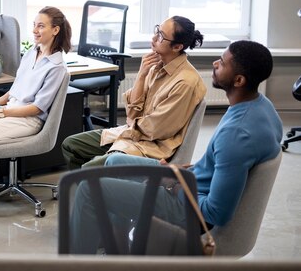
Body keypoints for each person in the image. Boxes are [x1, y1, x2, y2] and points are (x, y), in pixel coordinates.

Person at [70, 40, 283, 254]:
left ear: (239, 80)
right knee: (115, 161)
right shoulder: (262, 106)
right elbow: (220, 164)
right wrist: (185, 172)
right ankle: (117, 247)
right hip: (191, 185)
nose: (215, 63)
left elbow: (216, 213)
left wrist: (176, 185)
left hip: (189, 210)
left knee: (89, 189)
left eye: (223, 63)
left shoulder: (237, 134)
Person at [62, 16, 207, 168]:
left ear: (177, 47)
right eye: (157, 30)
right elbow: (133, 113)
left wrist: (132, 122)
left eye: (161, 36)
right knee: (70, 146)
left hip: (151, 148)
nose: (153, 37)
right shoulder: (156, 65)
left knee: (89, 168)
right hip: (133, 134)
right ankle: (92, 188)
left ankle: (92, 186)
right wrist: (141, 74)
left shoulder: (185, 82)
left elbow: (155, 130)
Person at [0, 6, 71, 150]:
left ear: (55, 30)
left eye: (41, 26)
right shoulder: (31, 52)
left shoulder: (56, 67)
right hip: (10, 108)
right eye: (34, 25)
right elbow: (16, 88)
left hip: (28, 120)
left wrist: (1, 112)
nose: (34, 30)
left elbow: (36, 109)